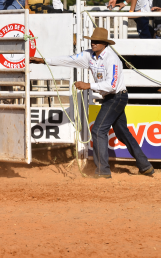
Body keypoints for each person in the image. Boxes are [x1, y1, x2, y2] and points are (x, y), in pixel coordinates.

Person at [30, 28, 155, 178]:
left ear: (104, 44)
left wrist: (89, 85)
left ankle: (103, 171)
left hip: (116, 97)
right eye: (92, 41)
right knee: (122, 133)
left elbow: (112, 85)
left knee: (98, 130)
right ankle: (145, 166)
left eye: (96, 41)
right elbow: (69, 59)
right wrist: (44, 61)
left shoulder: (112, 59)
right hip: (112, 98)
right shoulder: (89, 55)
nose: (93, 43)